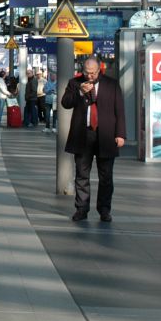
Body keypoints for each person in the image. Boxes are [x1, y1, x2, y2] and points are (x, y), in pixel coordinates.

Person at [61, 57, 125, 222]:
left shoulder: (111, 84)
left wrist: (120, 134)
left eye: (93, 73)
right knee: (82, 175)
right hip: (83, 134)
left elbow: (119, 110)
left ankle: (104, 210)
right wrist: (80, 92)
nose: (90, 76)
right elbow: (65, 103)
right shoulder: (75, 83)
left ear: (99, 70)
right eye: (87, 73)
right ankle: (81, 209)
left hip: (106, 135)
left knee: (106, 177)